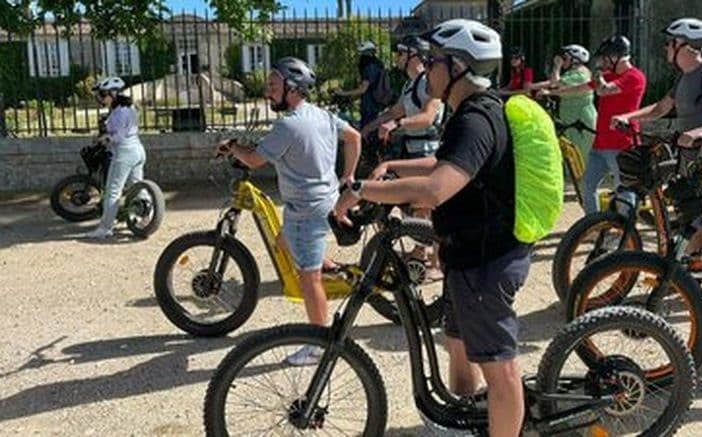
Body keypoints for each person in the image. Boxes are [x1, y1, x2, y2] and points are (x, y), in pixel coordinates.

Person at [334, 19, 530, 436]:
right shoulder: (467, 113)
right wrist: (391, 167)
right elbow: (448, 166)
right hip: (467, 252)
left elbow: (438, 188)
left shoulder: (476, 118)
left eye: (433, 61)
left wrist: (362, 189)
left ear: (458, 66)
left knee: (500, 370)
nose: (426, 69)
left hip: (487, 258)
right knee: (458, 342)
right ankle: (465, 423)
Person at [217, 57, 361, 366]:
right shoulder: (321, 115)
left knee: (308, 279)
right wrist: (347, 175)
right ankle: (330, 266)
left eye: (273, 86)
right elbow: (354, 137)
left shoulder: (287, 124)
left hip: (307, 209)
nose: (267, 92)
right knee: (284, 242)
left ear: (292, 89)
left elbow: (254, 160)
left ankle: (319, 345)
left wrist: (232, 147)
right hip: (324, 199)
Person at [612, 18, 702, 259]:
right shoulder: (684, 77)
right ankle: (688, 277)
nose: (665, 48)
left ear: (684, 45)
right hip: (689, 161)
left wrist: (701, 132)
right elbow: (660, 108)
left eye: (669, 42)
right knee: (693, 221)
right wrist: (627, 116)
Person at [361, 35, 445, 268]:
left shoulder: (430, 82)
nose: (396, 58)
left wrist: (398, 125)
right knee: (404, 200)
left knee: (424, 206)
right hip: (411, 150)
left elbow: (428, 117)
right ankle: (423, 252)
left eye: (400, 53)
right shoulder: (411, 85)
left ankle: (430, 259)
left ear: (413, 54)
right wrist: (369, 127)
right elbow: (394, 111)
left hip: (427, 151)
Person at [541, 35, 646, 215]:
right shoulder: (607, 75)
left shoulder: (635, 76)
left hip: (622, 144)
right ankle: (592, 224)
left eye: (606, 57)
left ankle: (626, 233)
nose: (602, 61)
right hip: (601, 143)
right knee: (587, 185)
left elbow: (604, 91)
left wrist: (598, 76)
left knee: (623, 190)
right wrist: (556, 92)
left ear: (616, 56)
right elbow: (582, 88)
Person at [83, 77, 147, 240]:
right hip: (138, 149)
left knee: (113, 190)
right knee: (136, 186)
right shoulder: (129, 107)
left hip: (124, 152)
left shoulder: (119, 112)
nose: (101, 98)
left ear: (112, 94)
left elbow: (118, 136)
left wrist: (104, 139)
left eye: (103, 95)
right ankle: (147, 216)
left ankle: (105, 228)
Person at [532, 44, 597, 164]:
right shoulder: (574, 72)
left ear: (575, 60)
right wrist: (533, 86)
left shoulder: (580, 75)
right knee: (571, 154)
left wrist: (557, 65)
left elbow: (556, 84)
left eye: (565, 57)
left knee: (579, 156)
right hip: (572, 118)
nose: (563, 60)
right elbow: (554, 82)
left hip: (579, 120)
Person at [336, 41, 389, 130]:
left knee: (367, 131)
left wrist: (342, 93)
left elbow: (363, 89)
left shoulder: (369, 67)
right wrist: (351, 98)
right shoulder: (378, 65)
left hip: (370, 106)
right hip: (378, 103)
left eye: (361, 54)